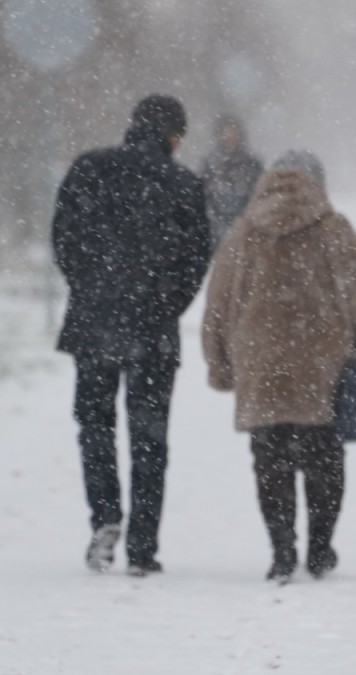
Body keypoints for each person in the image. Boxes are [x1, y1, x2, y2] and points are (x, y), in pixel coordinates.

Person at [201, 150, 356, 584]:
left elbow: (218, 306)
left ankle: (282, 550)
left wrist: (220, 363)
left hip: (260, 364)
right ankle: (319, 549)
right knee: (325, 460)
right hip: (322, 363)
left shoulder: (243, 233)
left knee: (270, 460)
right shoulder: (333, 229)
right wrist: (355, 326)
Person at [51, 94, 212, 576]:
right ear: (175, 136)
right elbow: (196, 260)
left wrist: (90, 288)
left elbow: (64, 239)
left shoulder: (88, 168)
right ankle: (143, 545)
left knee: (95, 426)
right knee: (149, 437)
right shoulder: (183, 184)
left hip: (94, 324)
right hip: (153, 332)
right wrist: (165, 306)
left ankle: (104, 518)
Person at [200, 113, 265, 248]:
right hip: (215, 230)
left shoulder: (252, 163)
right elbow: (203, 195)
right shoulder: (210, 164)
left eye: (233, 132)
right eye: (225, 132)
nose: (229, 137)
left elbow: (260, 194)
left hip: (247, 229)